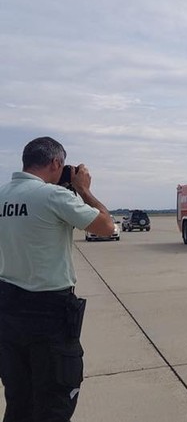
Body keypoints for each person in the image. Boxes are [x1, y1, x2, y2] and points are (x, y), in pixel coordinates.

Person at [0, 137, 113, 421]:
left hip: (7, 311)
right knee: (54, 403)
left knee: (18, 401)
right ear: (55, 163)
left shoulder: (2, 195)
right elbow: (106, 227)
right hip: (48, 314)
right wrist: (83, 190)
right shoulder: (53, 196)